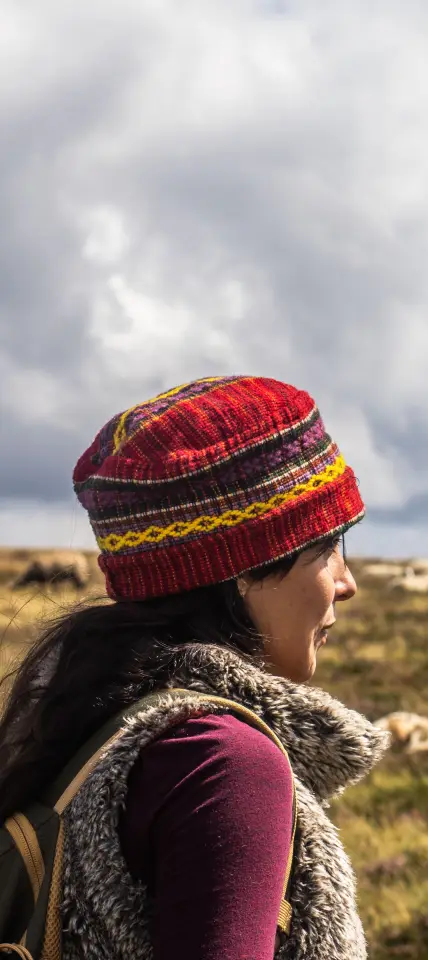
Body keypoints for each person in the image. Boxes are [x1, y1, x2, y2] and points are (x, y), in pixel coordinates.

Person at [0, 375, 389, 960]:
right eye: (326, 546)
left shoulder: (79, 720)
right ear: (243, 561)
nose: (346, 583)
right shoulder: (224, 764)